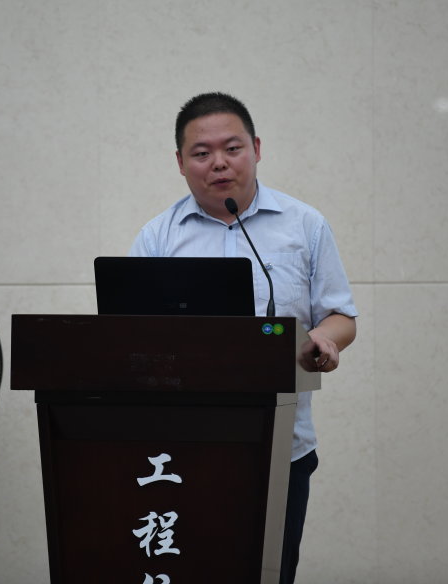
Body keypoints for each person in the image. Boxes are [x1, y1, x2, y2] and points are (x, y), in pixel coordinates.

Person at [128, 92, 358, 583]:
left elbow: (341, 315)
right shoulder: (157, 238)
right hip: (183, 447)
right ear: (180, 163)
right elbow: (131, 335)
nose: (219, 163)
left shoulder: (305, 225)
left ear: (256, 148)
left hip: (282, 445)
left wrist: (322, 339)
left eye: (232, 148)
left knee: (269, 572)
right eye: (201, 152)